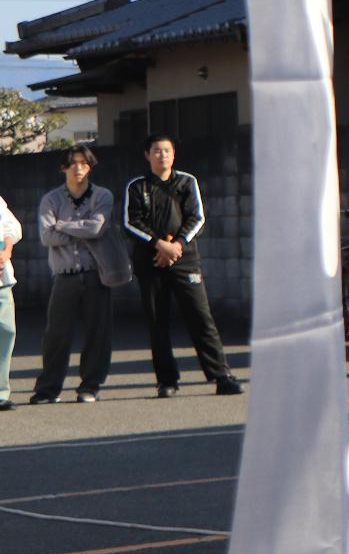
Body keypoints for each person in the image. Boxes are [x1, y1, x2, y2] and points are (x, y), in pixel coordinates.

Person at [123, 135, 240, 397]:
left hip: (184, 259)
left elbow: (196, 217)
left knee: (201, 317)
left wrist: (177, 245)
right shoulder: (137, 186)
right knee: (157, 321)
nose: (162, 155)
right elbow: (130, 223)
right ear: (147, 155)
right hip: (150, 261)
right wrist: (158, 244)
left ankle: (221, 375)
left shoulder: (187, 182)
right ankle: (167, 381)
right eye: (156, 151)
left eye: (167, 150)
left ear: (173, 154)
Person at [32, 148, 132, 404]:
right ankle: (48, 389)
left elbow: (97, 227)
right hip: (64, 274)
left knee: (98, 332)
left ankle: (90, 385)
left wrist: (62, 225)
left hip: (96, 273)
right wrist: (81, 229)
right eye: (73, 164)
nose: (78, 168)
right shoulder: (51, 199)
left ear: (90, 167)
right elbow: (47, 236)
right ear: (63, 168)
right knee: (56, 334)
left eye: (84, 164)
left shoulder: (102, 195)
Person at [0, 195, 19, 411]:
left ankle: (1, 393)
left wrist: (6, 250)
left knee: (6, 331)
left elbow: (12, 226)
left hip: (1, 278)